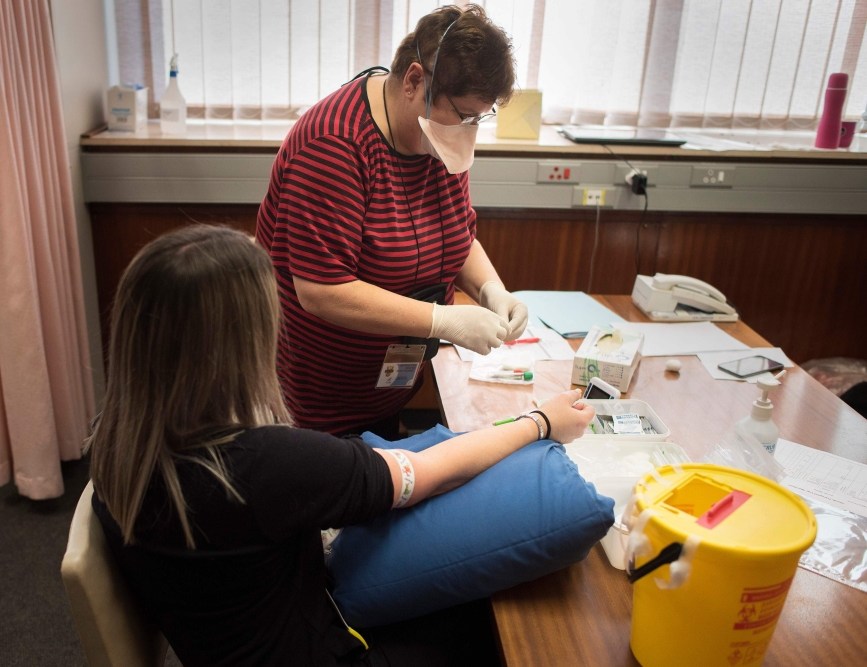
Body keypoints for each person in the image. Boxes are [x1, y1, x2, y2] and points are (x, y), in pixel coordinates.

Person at [86, 225, 595, 667]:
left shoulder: (116, 443)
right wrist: (540, 423)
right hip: (324, 651)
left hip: (228, 643)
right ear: (242, 343)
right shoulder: (266, 465)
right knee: (498, 628)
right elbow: (429, 472)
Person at [256, 5, 528, 437]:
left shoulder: (438, 138)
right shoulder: (334, 146)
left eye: (480, 118)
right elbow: (322, 291)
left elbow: (457, 235)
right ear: (415, 81)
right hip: (315, 406)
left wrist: (491, 289)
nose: (467, 131)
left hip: (385, 387)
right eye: (462, 115)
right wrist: (441, 320)